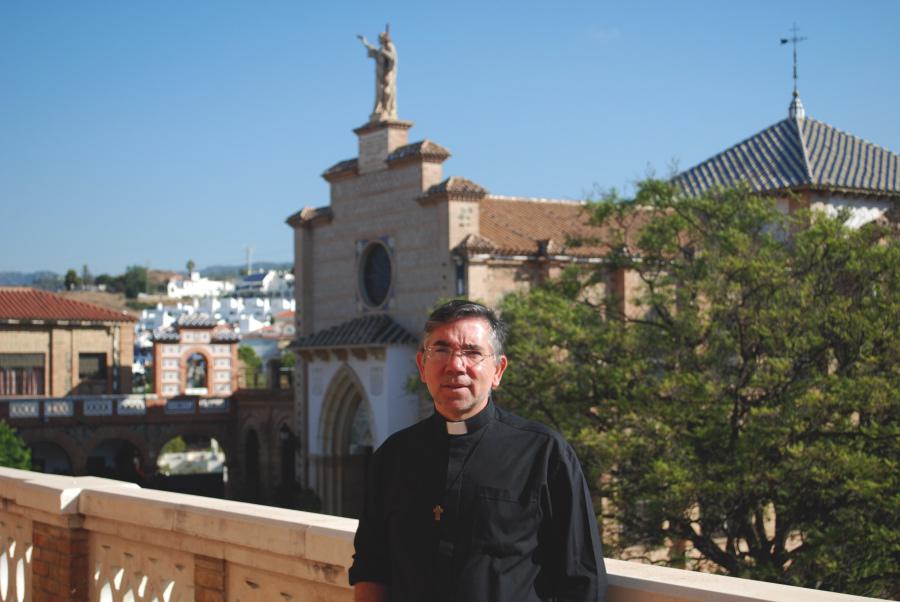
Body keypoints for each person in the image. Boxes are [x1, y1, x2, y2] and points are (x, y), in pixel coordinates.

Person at [349, 300, 607, 601]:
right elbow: (372, 566)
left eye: (472, 352)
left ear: (498, 370)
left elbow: (581, 577)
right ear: (422, 366)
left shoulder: (545, 455)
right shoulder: (393, 457)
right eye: (441, 350)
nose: (455, 365)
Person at [357, 27, 397, 122]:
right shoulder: (381, 49)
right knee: (379, 93)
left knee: (387, 92)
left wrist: (384, 52)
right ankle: (380, 110)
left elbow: (393, 58)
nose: (378, 40)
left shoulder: (390, 47)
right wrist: (364, 41)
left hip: (388, 75)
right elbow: (372, 49)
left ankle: (388, 110)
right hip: (379, 75)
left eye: (380, 38)